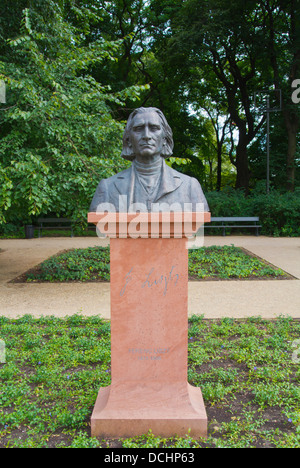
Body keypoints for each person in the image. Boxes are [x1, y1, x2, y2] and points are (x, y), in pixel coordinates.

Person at [90, 107, 209, 212]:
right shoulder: (107, 187)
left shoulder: (189, 187)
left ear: (165, 139)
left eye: (154, 128)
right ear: (129, 140)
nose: (146, 135)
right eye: (138, 129)